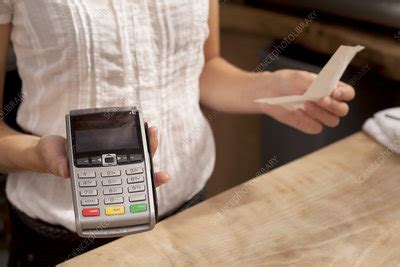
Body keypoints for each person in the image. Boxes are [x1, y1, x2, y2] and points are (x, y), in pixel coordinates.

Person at [0, 0, 355, 266]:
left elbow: (205, 69)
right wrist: (41, 155)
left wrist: (269, 86)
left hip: (187, 207)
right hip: (62, 232)